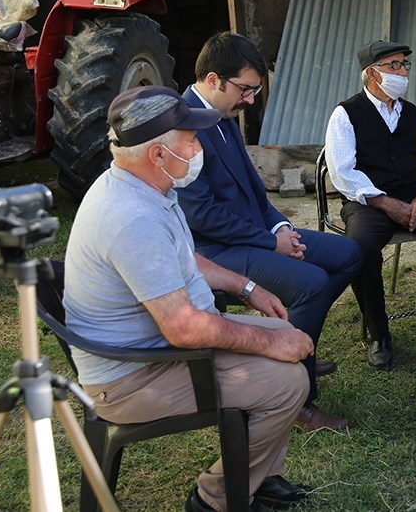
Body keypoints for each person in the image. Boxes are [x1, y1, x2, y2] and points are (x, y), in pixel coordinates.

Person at [64, 86, 316, 512]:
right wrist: (271, 344)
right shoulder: (133, 218)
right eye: (191, 139)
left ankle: (256, 479)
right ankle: (215, 498)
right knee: (287, 380)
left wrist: (246, 287)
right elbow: (183, 326)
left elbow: (186, 258)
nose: (199, 147)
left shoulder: (144, 187)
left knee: (285, 333)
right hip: (132, 378)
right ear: (158, 155)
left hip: (155, 352)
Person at [177, 33, 361, 432]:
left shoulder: (220, 115)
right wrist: (269, 242)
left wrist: (281, 227)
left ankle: (296, 346)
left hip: (255, 235)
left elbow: (254, 190)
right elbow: (201, 215)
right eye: (245, 90)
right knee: (312, 283)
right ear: (213, 80)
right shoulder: (184, 123)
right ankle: (298, 400)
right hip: (214, 252)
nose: (251, 100)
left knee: (349, 255)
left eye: (256, 90)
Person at [325, 40, 416, 370]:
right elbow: (342, 172)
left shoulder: (411, 113)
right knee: (360, 248)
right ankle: (379, 334)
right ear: (371, 73)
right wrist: (385, 203)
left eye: (404, 65)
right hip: (367, 203)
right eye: (393, 65)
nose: (402, 72)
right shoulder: (346, 114)